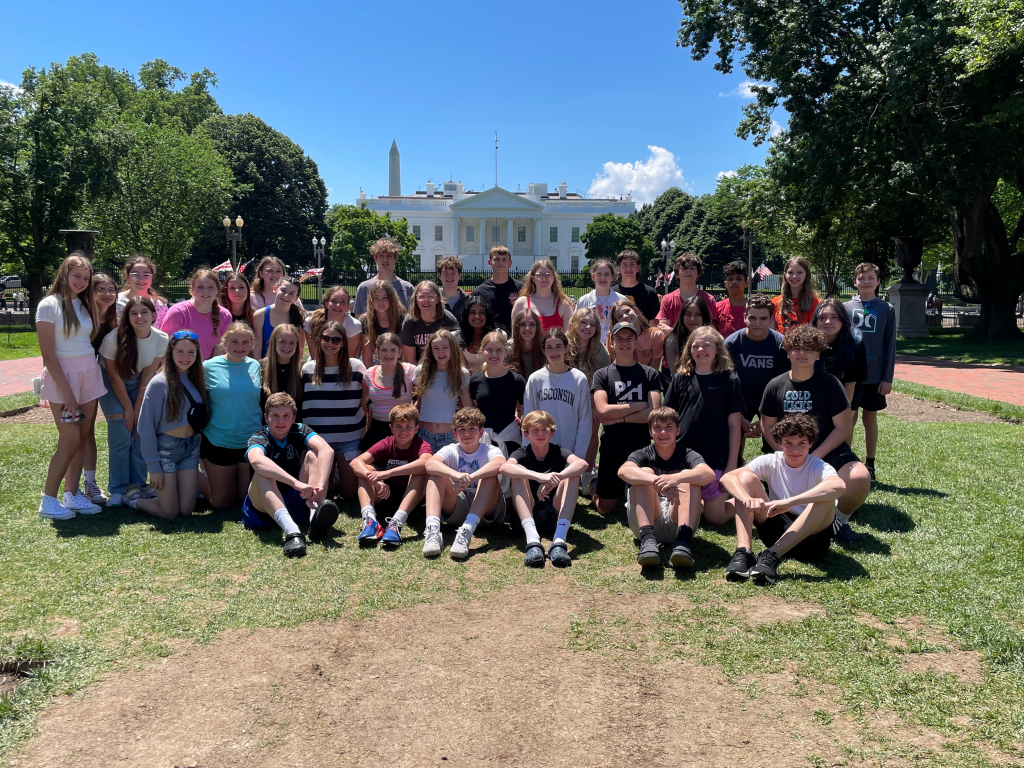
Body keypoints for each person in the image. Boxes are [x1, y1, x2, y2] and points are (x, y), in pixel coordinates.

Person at [758, 325, 872, 545]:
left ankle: (839, 521)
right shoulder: (775, 385)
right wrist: (788, 454)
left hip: (825, 451)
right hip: (787, 453)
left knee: (859, 477)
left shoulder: (830, 384)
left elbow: (843, 426)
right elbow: (768, 426)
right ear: (787, 351)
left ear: (818, 354)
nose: (802, 353)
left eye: (809, 349)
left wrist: (815, 456)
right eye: (797, 348)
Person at [719, 414, 846, 585]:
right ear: (779, 443)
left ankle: (771, 555)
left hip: (811, 539)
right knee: (746, 478)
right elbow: (728, 478)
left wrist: (789, 502)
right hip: (775, 528)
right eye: (788, 443)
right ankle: (744, 552)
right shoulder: (772, 461)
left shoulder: (818, 466)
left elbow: (839, 486)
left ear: (811, 443)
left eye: (802, 443)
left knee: (826, 497)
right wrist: (746, 499)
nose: (795, 449)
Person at [36, 254, 106, 520]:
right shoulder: (48, 305)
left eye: (86, 278)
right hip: (62, 377)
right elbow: (48, 355)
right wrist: (68, 395)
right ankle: (48, 500)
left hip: (88, 373)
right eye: (77, 275)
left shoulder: (85, 305)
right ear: (64, 274)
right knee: (70, 439)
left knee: (83, 436)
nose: (81, 281)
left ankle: (72, 494)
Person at [663, 326, 744, 528]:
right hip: (684, 457)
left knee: (714, 518)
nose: (701, 350)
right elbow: (667, 417)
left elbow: (735, 425)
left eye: (706, 345)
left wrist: (731, 466)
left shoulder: (729, 379)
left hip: (715, 457)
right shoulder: (681, 378)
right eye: (695, 346)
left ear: (718, 349)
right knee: (684, 511)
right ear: (689, 350)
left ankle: (743, 499)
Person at [241, 393, 340, 558]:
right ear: (266, 418)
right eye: (275, 416)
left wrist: (321, 485)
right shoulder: (259, 436)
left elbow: (327, 450)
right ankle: (292, 533)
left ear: (294, 417)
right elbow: (256, 460)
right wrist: (296, 483)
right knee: (262, 473)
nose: (281, 421)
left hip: (298, 497)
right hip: (264, 505)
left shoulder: (300, 430)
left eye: (286, 416)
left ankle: (315, 515)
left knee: (313, 456)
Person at [618, 407, 715, 568]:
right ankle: (648, 543)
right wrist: (657, 482)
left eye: (668, 427)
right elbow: (623, 471)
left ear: (678, 430)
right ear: (650, 431)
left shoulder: (687, 454)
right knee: (644, 473)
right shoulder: (643, 453)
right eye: (657, 428)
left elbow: (708, 474)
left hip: (678, 520)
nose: (663, 432)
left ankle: (683, 544)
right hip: (648, 522)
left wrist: (675, 478)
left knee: (687, 476)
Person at [98, 296, 168, 506]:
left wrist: (138, 407)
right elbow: (113, 376)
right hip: (111, 381)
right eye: (133, 313)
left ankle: (136, 486)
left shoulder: (162, 338)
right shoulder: (113, 339)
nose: (139, 317)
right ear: (127, 317)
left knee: (139, 430)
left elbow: (148, 374)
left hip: (139, 381)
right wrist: (128, 408)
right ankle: (118, 490)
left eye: (144, 312)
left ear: (153, 315)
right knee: (121, 426)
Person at [133, 330, 208, 519]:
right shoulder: (159, 383)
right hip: (165, 450)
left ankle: (165, 494)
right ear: (171, 353)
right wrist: (154, 468)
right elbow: (146, 427)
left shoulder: (196, 379)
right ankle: (135, 501)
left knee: (185, 510)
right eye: (180, 352)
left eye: (191, 352)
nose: (185, 357)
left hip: (190, 448)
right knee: (170, 512)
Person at [591, 322, 662, 516]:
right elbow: (603, 411)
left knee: (645, 502)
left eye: (629, 338)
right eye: (619, 339)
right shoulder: (602, 375)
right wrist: (638, 405)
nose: (624, 343)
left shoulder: (649, 374)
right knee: (606, 509)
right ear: (611, 343)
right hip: (611, 447)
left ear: (636, 341)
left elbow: (653, 413)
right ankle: (594, 486)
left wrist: (619, 419)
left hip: (641, 446)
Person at [502, 410, 588, 568]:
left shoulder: (558, 451)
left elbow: (582, 464)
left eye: (545, 430)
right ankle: (533, 541)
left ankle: (559, 542)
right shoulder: (522, 452)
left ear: (552, 433)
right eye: (535, 430)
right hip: (528, 511)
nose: (540, 434)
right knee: (517, 472)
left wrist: (556, 479)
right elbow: (505, 468)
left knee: (573, 474)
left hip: (553, 512)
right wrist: (538, 477)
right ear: (526, 434)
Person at [423, 408, 506, 560]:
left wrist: (471, 477)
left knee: (489, 476)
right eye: (462, 430)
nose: (467, 434)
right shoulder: (451, 449)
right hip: (458, 509)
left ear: (481, 433)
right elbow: (430, 465)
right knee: (436, 475)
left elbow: (500, 464)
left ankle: (466, 531)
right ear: (455, 434)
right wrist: (456, 475)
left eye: (472, 429)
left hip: (486, 513)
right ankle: (433, 530)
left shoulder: (489, 449)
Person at [300, 320, 368, 500]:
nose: (330, 343)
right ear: (319, 340)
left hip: (349, 439)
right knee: (325, 493)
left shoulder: (356, 367)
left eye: (336, 340)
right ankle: (332, 475)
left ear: (344, 342)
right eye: (326, 338)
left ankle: (338, 472)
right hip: (319, 442)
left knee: (350, 493)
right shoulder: (308, 369)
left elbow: (368, 397)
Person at [349, 403, 432, 547]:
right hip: (385, 496)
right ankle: (370, 521)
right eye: (398, 426)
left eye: (408, 427)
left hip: (412, 502)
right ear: (391, 428)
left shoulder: (421, 444)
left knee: (420, 471)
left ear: (416, 428)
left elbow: (426, 462)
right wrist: (376, 481)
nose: (403, 431)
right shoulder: (386, 443)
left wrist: (388, 473)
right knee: (366, 469)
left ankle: (396, 523)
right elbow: (355, 462)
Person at [201, 322, 263, 510]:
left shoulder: (255, 366)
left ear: (252, 344)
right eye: (234, 341)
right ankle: (189, 476)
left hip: (250, 441)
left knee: (244, 500)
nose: (240, 347)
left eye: (245, 342)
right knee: (221, 504)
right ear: (224, 341)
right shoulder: (208, 367)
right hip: (219, 440)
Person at [845, 262, 896, 482]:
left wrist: (887, 378)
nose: (865, 282)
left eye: (870, 278)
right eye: (861, 278)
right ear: (855, 282)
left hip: (875, 375)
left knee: (870, 417)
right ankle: (845, 461)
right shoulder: (845, 308)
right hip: (850, 375)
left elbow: (890, 345)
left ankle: (870, 463)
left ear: (878, 281)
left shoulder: (887, 309)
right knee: (848, 418)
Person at [724, 293, 789, 458]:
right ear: (745, 317)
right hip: (740, 398)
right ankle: (734, 467)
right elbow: (727, 383)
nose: (757, 323)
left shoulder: (780, 344)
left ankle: (772, 476)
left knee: (775, 444)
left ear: (770, 319)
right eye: (752, 318)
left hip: (770, 400)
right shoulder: (732, 343)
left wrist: (766, 422)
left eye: (763, 318)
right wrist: (738, 416)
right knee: (731, 442)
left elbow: (783, 384)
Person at [523, 328, 593, 465]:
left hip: (570, 452)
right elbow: (528, 420)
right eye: (549, 347)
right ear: (543, 350)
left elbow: (585, 422)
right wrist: (530, 453)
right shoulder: (535, 379)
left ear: (566, 348)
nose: (554, 352)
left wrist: (577, 457)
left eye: (558, 347)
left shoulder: (579, 379)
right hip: (540, 452)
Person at [80, 272, 120, 505]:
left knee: (88, 430)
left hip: (97, 376)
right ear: (91, 293)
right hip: (78, 375)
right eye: (101, 290)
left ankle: (90, 482)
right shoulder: (83, 317)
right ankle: (75, 482)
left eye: (111, 289)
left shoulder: (114, 318)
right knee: (78, 432)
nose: (107, 294)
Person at [566, 306, 611, 496]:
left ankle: (587, 472)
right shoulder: (564, 344)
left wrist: (594, 408)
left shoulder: (599, 351)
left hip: (590, 398)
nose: (587, 327)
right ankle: (566, 473)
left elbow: (603, 381)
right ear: (575, 323)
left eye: (592, 324)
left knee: (593, 429)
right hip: (566, 397)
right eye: (583, 322)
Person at [413, 329, 473, 453]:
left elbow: (466, 408)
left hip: (450, 437)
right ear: (431, 351)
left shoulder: (461, 373)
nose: (441, 352)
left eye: (445, 347)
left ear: (453, 349)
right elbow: (418, 404)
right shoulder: (421, 371)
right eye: (436, 348)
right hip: (424, 436)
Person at [470, 331, 526, 453]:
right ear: (482, 351)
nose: (494, 354)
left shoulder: (517, 380)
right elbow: (473, 408)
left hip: (510, 439)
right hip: (482, 441)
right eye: (489, 349)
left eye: (499, 350)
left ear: (506, 352)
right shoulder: (475, 381)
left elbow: (523, 410)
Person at [159, 268, 233, 361]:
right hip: (179, 367)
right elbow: (165, 348)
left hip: (208, 369)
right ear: (192, 290)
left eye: (210, 287)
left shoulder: (225, 315)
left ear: (217, 290)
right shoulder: (177, 312)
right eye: (200, 287)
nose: (205, 291)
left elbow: (219, 353)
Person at [360, 332, 417, 450]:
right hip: (378, 429)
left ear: (399, 352)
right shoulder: (369, 374)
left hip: (403, 430)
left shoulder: (410, 371)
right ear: (377, 352)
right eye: (384, 350)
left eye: (393, 350)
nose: (388, 354)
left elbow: (421, 399)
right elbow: (363, 404)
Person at [813, 299, 867, 406]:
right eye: (822, 318)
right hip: (814, 394)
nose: (828, 322)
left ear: (843, 320)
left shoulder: (855, 344)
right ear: (816, 321)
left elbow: (850, 383)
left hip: (846, 392)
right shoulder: (807, 343)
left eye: (834, 317)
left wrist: (844, 412)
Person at [655, 252, 719, 334]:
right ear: (677, 274)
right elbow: (662, 329)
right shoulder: (667, 299)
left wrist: (673, 332)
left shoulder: (708, 299)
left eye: (692, 268)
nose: (688, 271)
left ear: (698, 273)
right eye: (684, 268)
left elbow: (708, 330)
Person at [401, 280, 460, 363]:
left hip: (445, 367)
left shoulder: (448, 319)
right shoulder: (409, 322)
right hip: (419, 368)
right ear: (416, 300)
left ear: (437, 299)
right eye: (421, 297)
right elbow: (410, 359)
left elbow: (455, 353)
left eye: (430, 296)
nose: (426, 300)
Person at [353, 238, 414, 315]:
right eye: (381, 256)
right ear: (375, 258)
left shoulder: (408, 288)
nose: (385, 260)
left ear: (395, 258)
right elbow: (359, 321)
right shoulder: (364, 288)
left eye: (389, 256)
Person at [472, 245, 523, 334]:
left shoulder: (521, 289)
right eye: (496, 259)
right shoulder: (479, 292)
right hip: (488, 340)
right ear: (489, 262)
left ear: (510, 263)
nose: (500, 263)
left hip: (515, 339)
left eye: (504, 259)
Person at [511, 260, 572, 332]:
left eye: (548, 274)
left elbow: (568, 336)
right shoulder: (521, 303)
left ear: (553, 277)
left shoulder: (563, 304)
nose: (543, 278)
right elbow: (515, 335)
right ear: (533, 278)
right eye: (539, 274)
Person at [306, 286, 363, 362]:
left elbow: (350, 357)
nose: (338, 305)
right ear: (326, 303)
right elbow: (315, 356)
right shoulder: (311, 321)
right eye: (334, 301)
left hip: (343, 366)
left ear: (348, 307)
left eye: (343, 302)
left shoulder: (354, 325)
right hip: (317, 364)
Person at [575, 259, 626, 344]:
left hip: (615, 347)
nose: (603, 277)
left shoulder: (621, 300)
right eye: (599, 274)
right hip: (590, 347)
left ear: (612, 277)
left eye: (607, 274)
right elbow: (575, 326)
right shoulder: (584, 301)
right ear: (593, 276)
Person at [605, 299, 665, 370]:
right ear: (616, 322)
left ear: (636, 311)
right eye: (619, 316)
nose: (625, 316)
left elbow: (654, 370)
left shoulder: (656, 335)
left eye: (627, 311)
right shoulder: (612, 337)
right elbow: (610, 366)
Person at [253, 276, 304, 359]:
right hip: (266, 365)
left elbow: (300, 351)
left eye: (291, 293)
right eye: (283, 290)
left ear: (296, 298)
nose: (286, 295)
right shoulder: (260, 315)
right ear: (275, 289)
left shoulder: (299, 317)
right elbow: (257, 350)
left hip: (290, 366)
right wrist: (259, 369)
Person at [361, 279, 406, 366]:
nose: (380, 302)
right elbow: (367, 358)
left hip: (398, 368)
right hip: (375, 369)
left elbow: (405, 356)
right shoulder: (365, 321)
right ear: (371, 300)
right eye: (376, 298)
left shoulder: (402, 320)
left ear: (392, 299)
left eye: (385, 298)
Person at [116, 255, 168, 328]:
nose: (141, 279)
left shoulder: (160, 305)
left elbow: (164, 334)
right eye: (135, 275)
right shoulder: (115, 302)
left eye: (146, 275)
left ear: (151, 278)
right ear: (127, 277)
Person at [664, 294, 712, 372]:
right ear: (682, 317)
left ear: (704, 317)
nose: (692, 319)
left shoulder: (714, 339)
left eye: (698, 314)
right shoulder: (672, 341)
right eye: (688, 314)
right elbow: (675, 374)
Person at [261, 323, 303, 410]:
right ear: (274, 342)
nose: (287, 347)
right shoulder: (260, 367)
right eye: (282, 341)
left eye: (292, 343)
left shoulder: (302, 369)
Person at [772, 256, 820, 333]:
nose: (794, 276)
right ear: (785, 275)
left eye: (799, 272)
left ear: (806, 274)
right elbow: (771, 331)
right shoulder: (775, 302)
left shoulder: (816, 303)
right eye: (790, 272)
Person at [612, 249, 660, 323]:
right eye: (624, 265)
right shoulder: (611, 293)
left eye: (632, 264)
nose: (628, 268)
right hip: (618, 334)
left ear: (638, 268)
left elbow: (653, 325)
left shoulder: (650, 293)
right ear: (618, 269)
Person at [458, 295, 494, 374]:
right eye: (472, 312)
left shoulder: (496, 336)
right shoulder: (457, 338)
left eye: (482, 313)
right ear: (466, 315)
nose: (477, 316)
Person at [715, 260, 749, 339]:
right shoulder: (717, 308)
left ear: (746, 283)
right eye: (730, 279)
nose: (734, 282)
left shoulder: (753, 308)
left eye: (739, 279)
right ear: (725, 284)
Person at [508, 309, 543, 380]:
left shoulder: (545, 347)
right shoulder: (507, 348)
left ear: (537, 328)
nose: (527, 328)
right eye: (523, 324)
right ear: (517, 327)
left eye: (532, 324)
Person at [436, 255, 469, 320]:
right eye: (445, 273)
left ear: (459, 275)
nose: (449, 276)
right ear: (439, 276)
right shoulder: (433, 300)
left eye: (453, 273)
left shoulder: (468, 301)